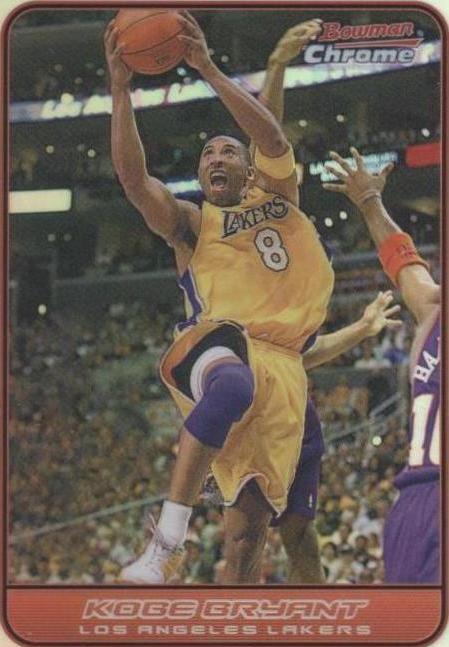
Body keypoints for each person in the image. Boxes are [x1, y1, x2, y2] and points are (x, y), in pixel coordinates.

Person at [105, 12, 335, 584]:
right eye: (206, 155)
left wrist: (206, 66)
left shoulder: (279, 194)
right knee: (232, 381)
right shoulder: (191, 223)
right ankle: (166, 544)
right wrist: (119, 90)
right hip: (219, 345)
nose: (215, 159)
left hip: (285, 368)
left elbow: (272, 137)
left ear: (247, 168)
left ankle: (234, 618)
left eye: (227, 151)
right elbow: (135, 183)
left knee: (248, 537)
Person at [246, 20, 402, 584]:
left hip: (291, 401)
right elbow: (266, 138)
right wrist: (277, 66)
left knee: (298, 534)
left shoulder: (296, 249)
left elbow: (303, 357)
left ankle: (311, 617)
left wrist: (361, 328)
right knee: (244, 536)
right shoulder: (244, 219)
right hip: (243, 400)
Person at [323, 147, 440, 584]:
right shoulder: (433, 310)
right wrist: (370, 201)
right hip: (415, 500)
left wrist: (371, 202)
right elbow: (403, 259)